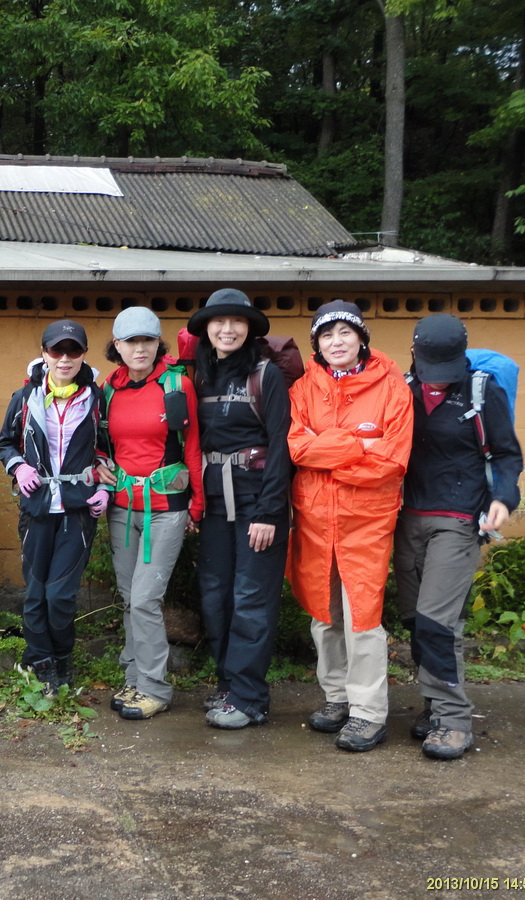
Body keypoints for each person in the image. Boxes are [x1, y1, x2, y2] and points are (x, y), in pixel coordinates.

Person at [395, 314, 523, 760]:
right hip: (405, 517)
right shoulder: (402, 389)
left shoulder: (482, 391)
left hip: (458, 517)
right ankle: (433, 706)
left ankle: (453, 720)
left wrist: (504, 499)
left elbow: (507, 454)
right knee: (414, 618)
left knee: (435, 619)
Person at [288, 300, 413, 752]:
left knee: (363, 618)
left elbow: (391, 461)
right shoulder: (303, 388)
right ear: (317, 345)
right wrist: (361, 443)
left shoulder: (393, 388)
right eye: (326, 335)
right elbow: (298, 448)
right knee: (324, 615)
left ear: (362, 338)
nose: (336, 342)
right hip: (315, 516)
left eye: (345, 333)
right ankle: (336, 697)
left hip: (367, 518)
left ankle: (367, 712)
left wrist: (332, 454)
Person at [187, 289, 292, 729]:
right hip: (213, 504)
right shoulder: (199, 375)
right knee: (215, 598)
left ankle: (250, 699)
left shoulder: (265, 375)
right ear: (207, 329)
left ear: (249, 329)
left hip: (256, 502)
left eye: (236, 322)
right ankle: (230, 684)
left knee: (251, 597)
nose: (227, 330)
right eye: (219, 322)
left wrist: (269, 513)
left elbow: (284, 446)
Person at [0, 320, 111, 695]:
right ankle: (40, 661)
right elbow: (5, 443)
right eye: (56, 351)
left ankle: (62, 658)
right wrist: (20, 466)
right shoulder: (25, 397)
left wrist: (105, 490)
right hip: (37, 507)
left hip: (79, 508)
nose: (64, 358)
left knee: (60, 595)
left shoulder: (96, 399)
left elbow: (109, 449)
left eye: (73, 351)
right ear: (44, 354)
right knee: (35, 593)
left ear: (83, 355)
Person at [100, 308, 203, 720]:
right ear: (117, 346)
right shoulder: (110, 388)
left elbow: (193, 444)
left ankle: (155, 688)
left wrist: (198, 503)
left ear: (158, 343)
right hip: (123, 508)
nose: (139, 348)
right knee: (129, 599)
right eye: (130, 342)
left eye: (147, 340)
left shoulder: (177, 385)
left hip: (166, 508)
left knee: (145, 598)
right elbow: (101, 442)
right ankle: (135, 676)